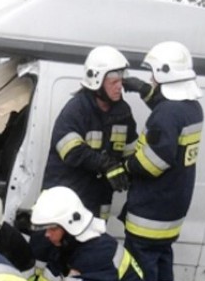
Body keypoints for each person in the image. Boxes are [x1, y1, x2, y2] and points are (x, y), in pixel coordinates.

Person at [120, 41, 204, 281]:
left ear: (164, 74)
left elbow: (153, 162)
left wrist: (125, 167)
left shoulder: (167, 113)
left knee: (138, 277)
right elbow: (168, 112)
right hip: (171, 213)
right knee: (162, 268)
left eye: (153, 73)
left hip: (150, 214)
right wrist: (144, 91)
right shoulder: (192, 108)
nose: (150, 78)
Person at [41, 45, 136, 219]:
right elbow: (71, 151)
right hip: (66, 201)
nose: (119, 87)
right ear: (96, 82)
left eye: (121, 81)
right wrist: (107, 164)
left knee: (96, 245)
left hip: (99, 202)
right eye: (114, 82)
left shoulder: (123, 113)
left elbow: (131, 153)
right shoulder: (76, 110)